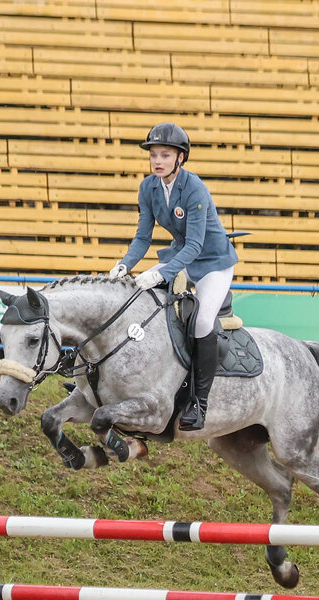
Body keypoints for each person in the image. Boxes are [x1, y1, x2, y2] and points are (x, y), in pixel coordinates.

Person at [109, 122, 238, 431]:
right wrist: (124, 265)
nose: (157, 161)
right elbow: (142, 238)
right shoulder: (148, 188)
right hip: (180, 257)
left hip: (213, 264)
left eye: (164, 155)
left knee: (203, 322)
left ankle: (199, 402)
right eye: (153, 155)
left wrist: (162, 273)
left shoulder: (194, 188)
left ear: (180, 158)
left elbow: (195, 244)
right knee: (134, 297)